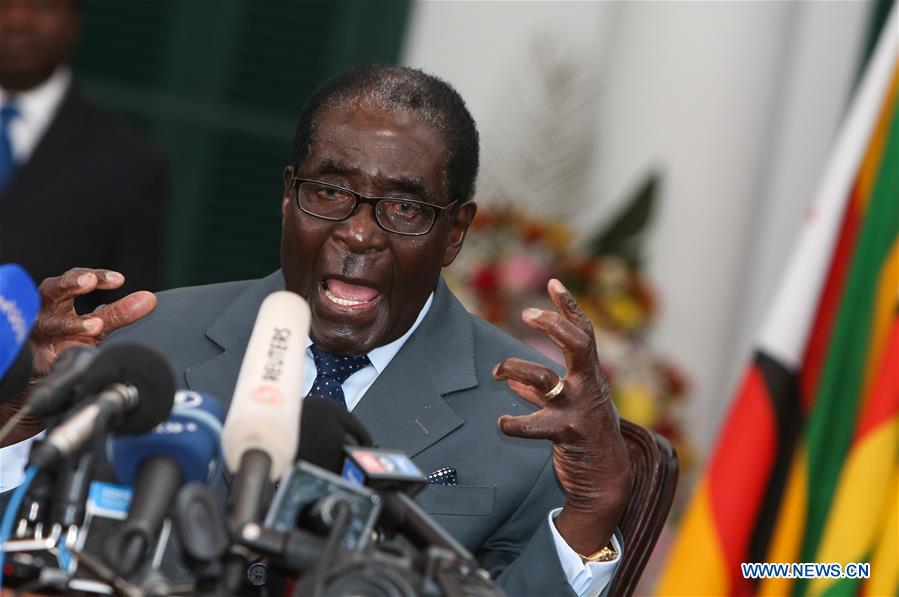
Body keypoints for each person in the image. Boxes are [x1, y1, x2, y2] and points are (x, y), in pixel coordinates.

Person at [4, 66, 632, 596]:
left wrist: (591, 513)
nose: (358, 233)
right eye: (330, 190)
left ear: (456, 233)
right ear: (288, 196)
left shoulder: (528, 422)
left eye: (405, 207)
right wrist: (19, 414)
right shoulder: (145, 344)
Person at [0, 0, 168, 313]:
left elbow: (129, 308)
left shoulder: (128, 161)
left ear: (74, 21)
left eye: (42, 6)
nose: (17, 20)